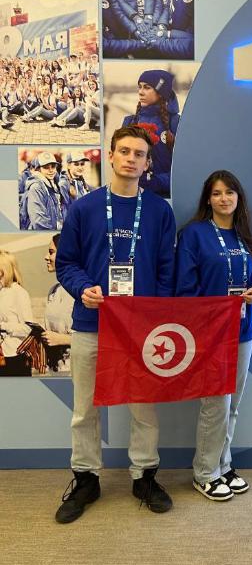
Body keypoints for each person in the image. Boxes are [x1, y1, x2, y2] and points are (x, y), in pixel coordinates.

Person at [54, 125, 176, 524]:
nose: (131, 159)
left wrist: (156, 315)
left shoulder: (159, 210)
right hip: (91, 322)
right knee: (84, 408)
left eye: (139, 154)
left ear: (147, 163)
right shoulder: (84, 208)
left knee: (144, 407)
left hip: (141, 329)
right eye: (124, 151)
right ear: (110, 155)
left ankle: (144, 476)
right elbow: (66, 263)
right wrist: (81, 288)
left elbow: (166, 269)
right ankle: (86, 478)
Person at [176, 170, 252, 501]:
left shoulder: (247, 235)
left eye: (229, 192)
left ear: (238, 197)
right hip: (211, 333)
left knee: (233, 404)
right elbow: (185, 287)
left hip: (244, 330)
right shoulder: (194, 235)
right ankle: (205, 472)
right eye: (216, 193)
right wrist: (207, 316)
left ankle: (223, 464)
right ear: (208, 199)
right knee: (216, 403)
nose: (224, 199)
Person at [121, 69, 179, 197]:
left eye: (147, 87)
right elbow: (119, 162)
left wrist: (157, 182)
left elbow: (184, 169)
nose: (140, 92)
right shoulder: (129, 122)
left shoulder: (176, 123)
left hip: (167, 197)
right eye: (139, 87)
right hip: (135, 196)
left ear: (160, 93)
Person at [42, 234, 74, 374]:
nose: (46, 257)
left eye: (51, 252)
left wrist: (61, 339)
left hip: (78, 368)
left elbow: (97, 339)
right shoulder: (54, 290)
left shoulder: (84, 290)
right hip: (56, 368)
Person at [0, 250, 33, 376]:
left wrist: (3, 326)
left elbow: (28, 328)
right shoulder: (2, 292)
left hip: (14, 357)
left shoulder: (18, 292)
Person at [23, 152, 65, 231]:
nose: (51, 170)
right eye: (46, 167)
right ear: (38, 169)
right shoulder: (36, 188)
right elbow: (38, 222)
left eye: (53, 166)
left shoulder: (53, 184)